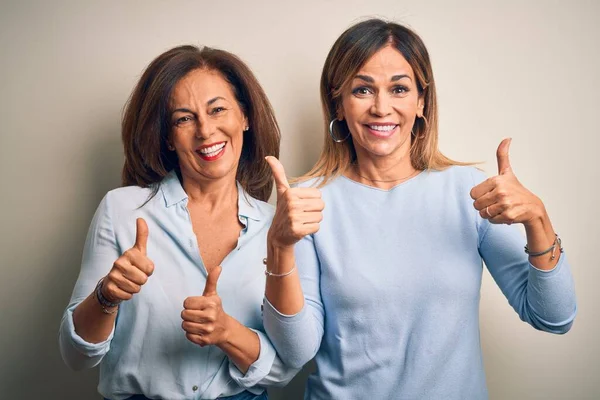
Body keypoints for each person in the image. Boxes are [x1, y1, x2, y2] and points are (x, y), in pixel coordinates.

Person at [262, 19, 577, 399]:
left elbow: (554, 317)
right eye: (362, 89)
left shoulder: (468, 192)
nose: (382, 107)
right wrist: (279, 246)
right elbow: (297, 350)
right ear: (338, 104)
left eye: (399, 88)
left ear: (422, 101)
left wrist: (537, 219)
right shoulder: (306, 201)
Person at [59, 45, 297, 400]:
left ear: (245, 117)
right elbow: (76, 357)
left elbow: (287, 366)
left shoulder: (276, 229)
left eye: (218, 110)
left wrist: (227, 332)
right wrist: (106, 295)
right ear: (168, 137)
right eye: (184, 118)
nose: (205, 130)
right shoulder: (123, 210)